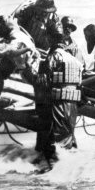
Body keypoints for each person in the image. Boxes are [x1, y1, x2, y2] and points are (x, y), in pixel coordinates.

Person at [33, 33, 84, 168]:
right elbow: (79, 84)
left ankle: (55, 169)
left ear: (52, 41)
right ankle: (72, 165)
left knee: (56, 133)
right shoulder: (75, 60)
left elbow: (43, 80)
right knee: (69, 134)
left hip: (59, 101)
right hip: (72, 103)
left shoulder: (54, 56)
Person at [0, 17, 41, 105]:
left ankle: (42, 106)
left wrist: (26, 49)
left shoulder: (16, 37)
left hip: (27, 64)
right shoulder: (15, 30)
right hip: (18, 59)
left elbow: (11, 52)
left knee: (37, 84)